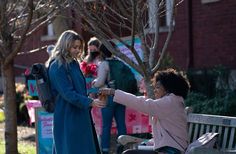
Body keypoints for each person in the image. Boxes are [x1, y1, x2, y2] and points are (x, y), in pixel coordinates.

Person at [99, 68, 191, 154]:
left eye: (158, 87)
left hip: (171, 150)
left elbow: (143, 104)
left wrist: (114, 92)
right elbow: (141, 101)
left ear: (167, 88)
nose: (155, 91)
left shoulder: (170, 101)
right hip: (168, 147)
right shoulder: (171, 101)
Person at [47, 30, 106, 154]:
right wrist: (90, 102)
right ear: (65, 46)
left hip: (80, 116)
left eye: (79, 47)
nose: (78, 50)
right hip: (68, 118)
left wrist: (89, 100)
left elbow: (77, 91)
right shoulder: (57, 66)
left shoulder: (73, 64)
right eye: (74, 47)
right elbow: (68, 93)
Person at [93, 43, 127, 154]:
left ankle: (105, 150)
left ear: (102, 52)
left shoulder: (104, 64)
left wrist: (94, 83)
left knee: (106, 125)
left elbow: (100, 82)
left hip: (108, 97)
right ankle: (123, 148)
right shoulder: (119, 63)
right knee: (121, 123)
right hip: (120, 96)